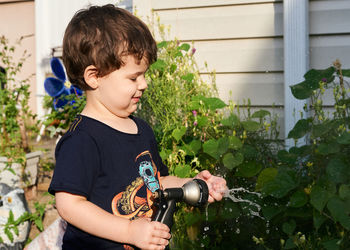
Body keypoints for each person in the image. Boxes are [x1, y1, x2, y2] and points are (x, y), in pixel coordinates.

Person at [48, 4, 227, 250]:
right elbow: (69, 205)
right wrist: (129, 231)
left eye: (144, 75)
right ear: (94, 77)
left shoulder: (140, 129)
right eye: (133, 77)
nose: (143, 84)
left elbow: (156, 183)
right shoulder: (83, 139)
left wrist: (192, 183)